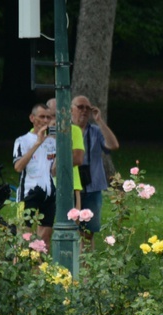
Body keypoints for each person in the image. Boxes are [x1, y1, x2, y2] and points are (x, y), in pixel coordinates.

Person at [71, 95, 120, 249]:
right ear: (71, 109)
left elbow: (113, 145)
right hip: (71, 186)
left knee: (88, 232)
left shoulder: (96, 131)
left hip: (92, 187)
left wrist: (99, 120)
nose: (84, 111)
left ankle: (86, 269)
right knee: (68, 229)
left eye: (87, 108)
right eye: (80, 107)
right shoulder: (65, 131)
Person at [13, 103, 56, 247]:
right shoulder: (22, 140)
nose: (45, 120)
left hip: (48, 193)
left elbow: (54, 170)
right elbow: (18, 167)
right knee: (24, 236)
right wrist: (37, 143)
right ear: (32, 118)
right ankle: (19, 267)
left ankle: (40, 269)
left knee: (44, 239)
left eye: (48, 117)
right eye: (42, 117)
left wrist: (61, 145)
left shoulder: (53, 141)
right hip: (28, 193)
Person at [47, 98, 85, 211]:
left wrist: (56, 167)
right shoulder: (38, 132)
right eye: (52, 115)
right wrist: (51, 130)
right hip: (43, 185)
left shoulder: (74, 130)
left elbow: (78, 158)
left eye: (59, 114)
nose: (56, 119)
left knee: (72, 222)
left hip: (69, 183)